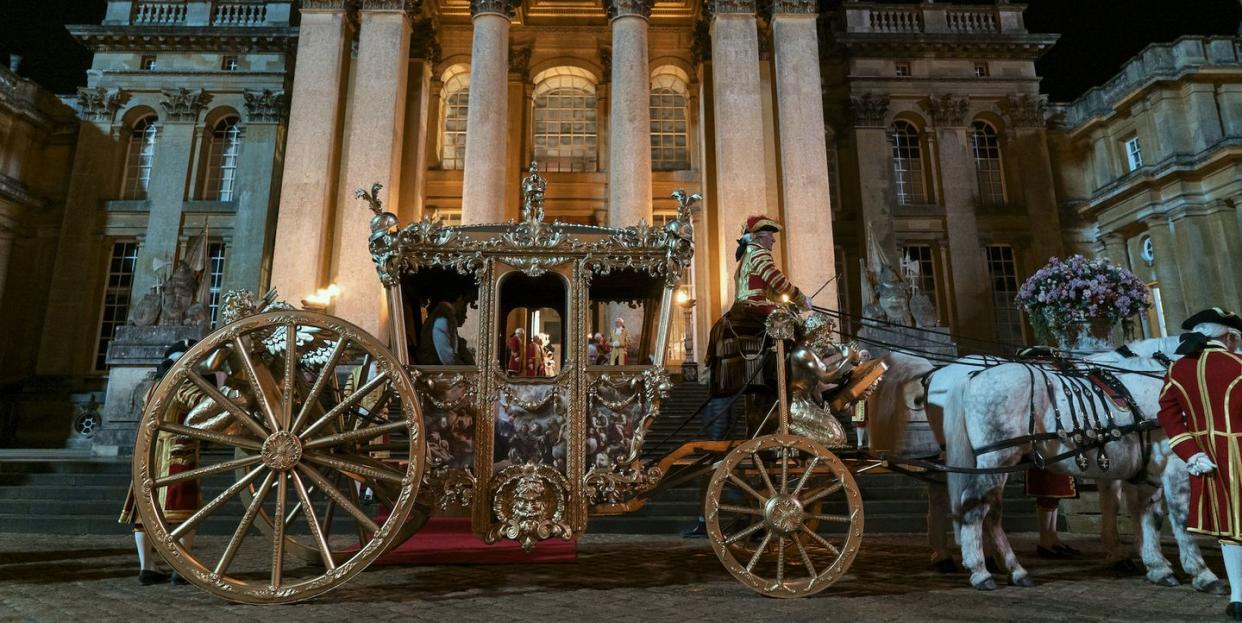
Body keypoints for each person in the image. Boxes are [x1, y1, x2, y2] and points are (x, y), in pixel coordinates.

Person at [683, 214, 811, 538]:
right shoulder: (758, 253)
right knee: (795, 328)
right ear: (759, 235)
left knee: (788, 321)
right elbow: (777, 282)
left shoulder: (747, 256)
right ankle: (795, 390)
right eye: (770, 235)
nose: (773, 241)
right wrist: (799, 298)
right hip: (753, 310)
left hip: (743, 312)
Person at [1157, 307, 1242, 620]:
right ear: (1229, 337)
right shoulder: (1238, 364)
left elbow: (1167, 413)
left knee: (1229, 528)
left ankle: (1238, 596)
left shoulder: (1177, 370)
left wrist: (1191, 452)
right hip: (1239, 451)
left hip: (1207, 460)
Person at [118, 339, 199, 585]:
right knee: (183, 512)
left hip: (149, 453)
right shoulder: (184, 386)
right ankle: (181, 567)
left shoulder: (152, 387)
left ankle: (147, 567)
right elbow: (203, 407)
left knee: (144, 513)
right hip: (178, 451)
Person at [416, 293, 473, 365]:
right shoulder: (442, 318)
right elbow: (448, 359)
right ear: (459, 298)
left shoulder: (445, 315)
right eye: (465, 304)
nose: (464, 310)